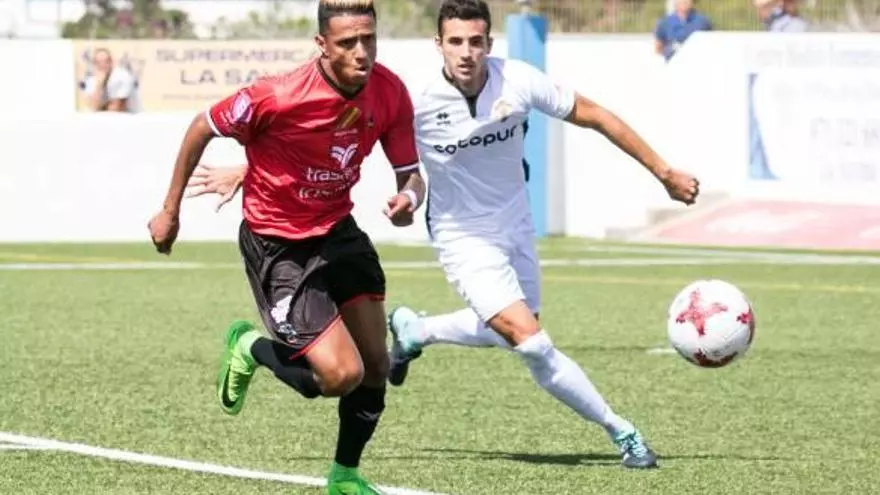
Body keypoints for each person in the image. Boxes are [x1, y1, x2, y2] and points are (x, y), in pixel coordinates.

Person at [186, 0, 699, 471]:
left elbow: (597, 116)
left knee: (514, 328)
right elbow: (327, 139)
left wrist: (665, 172)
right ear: (439, 45)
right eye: (455, 42)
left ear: (489, 43)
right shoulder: (418, 102)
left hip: (516, 225)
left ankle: (417, 330)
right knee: (532, 344)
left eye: (476, 41)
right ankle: (621, 430)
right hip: (461, 237)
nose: (466, 52)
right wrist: (248, 169)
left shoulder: (519, 81)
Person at [147, 1, 425, 493]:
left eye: (369, 39)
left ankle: (344, 477)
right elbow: (202, 126)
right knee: (340, 376)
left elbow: (411, 175)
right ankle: (249, 347)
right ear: (322, 44)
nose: (362, 53)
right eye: (347, 43)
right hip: (279, 245)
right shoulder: (277, 96)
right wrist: (171, 210)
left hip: (338, 232)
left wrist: (409, 199)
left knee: (376, 365)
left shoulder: (390, 91)